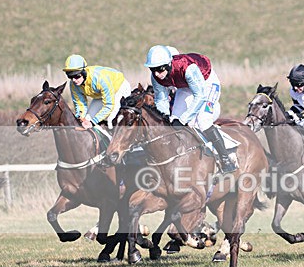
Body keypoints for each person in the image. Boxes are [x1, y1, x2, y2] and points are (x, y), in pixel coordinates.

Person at [144, 45, 236, 173]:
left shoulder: (187, 68)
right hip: (184, 86)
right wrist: (165, 120)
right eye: (152, 70)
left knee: (203, 121)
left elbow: (201, 95)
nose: (157, 74)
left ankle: (225, 158)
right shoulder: (155, 76)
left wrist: (183, 119)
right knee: (172, 120)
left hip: (206, 84)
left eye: (160, 69)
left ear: (169, 63)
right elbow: (161, 100)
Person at [63, 54, 131, 131]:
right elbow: (80, 104)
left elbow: (109, 105)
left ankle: (116, 141)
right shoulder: (73, 85)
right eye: (70, 77)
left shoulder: (99, 79)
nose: (74, 80)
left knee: (111, 121)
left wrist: (93, 122)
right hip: (101, 95)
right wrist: (80, 117)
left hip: (119, 89)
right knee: (87, 120)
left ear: (84, 72)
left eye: (77, 76)